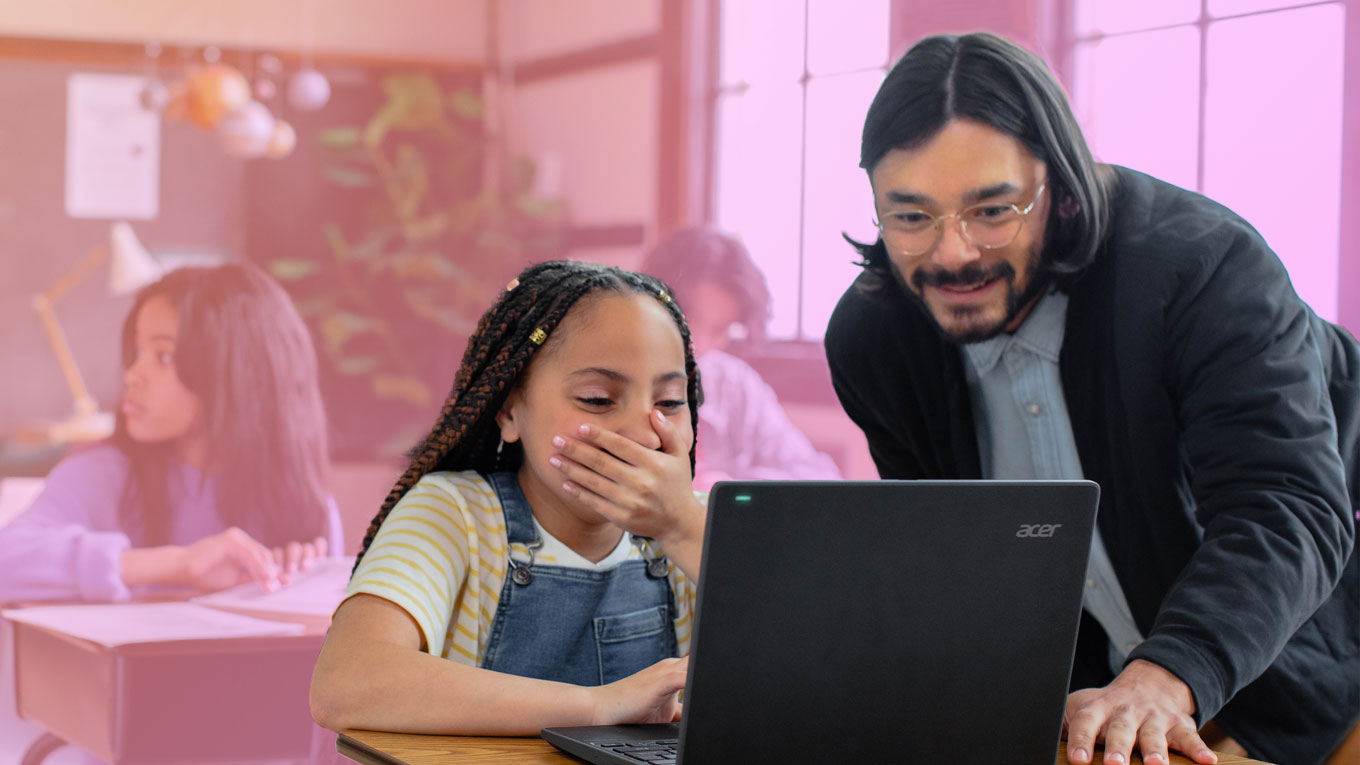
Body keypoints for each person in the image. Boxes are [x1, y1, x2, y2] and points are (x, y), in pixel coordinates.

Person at [823, 32, 1358, 765]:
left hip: (1302, 670)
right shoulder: (871, 339)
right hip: (1096, 709)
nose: (951, 254)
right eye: (911, 217)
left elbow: (1285, 506)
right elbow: (960, 559)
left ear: (1063, 187)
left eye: (992, 211)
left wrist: (1167, 676)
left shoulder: (1205, 266)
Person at [309, 261, 707, 735]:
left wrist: (682, 526)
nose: (644, 432)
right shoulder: (454, 513)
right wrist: (599, 706)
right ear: (509, 411)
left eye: (669, 403)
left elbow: (810, 665)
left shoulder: (700, 526)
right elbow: (345, 682)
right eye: (598, 399)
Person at [0, 263, 342, 605]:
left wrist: (296, 584)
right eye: (137, 353)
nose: (133, 374)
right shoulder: (102, 472)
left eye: (163, 357)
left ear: (234, 373)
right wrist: (177, 564)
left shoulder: (306, 507)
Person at [640, 227, 841, 489]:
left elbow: (819, 476)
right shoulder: (614, 379)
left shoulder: (732, 383)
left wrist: (730, 488)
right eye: (688, 319)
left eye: (719, 329)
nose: (696, 343)